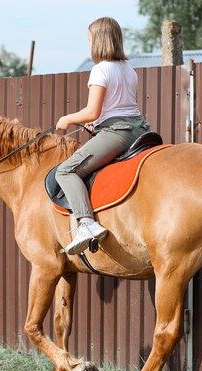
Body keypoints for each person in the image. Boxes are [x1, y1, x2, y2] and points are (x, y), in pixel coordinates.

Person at [55, 16, 150, 255]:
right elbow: (117, 108)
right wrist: (96, 124)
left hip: (117, 132)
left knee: (65, 171)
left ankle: (86, 224)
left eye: (89, 40)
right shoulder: (128, 69)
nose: (88, 44)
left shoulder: (100, 70)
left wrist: (67, 119)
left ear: (97, 41)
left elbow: (91, 111)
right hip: (140, 128)